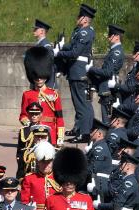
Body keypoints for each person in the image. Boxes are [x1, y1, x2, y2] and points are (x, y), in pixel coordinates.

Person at [54, 4, 96, 143]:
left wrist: (58, 53)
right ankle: (83, 130)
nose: (77, 19)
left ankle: (84, 134)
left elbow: (75, 52)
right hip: (76, 70)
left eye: (79, 16)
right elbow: (72, 46)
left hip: (78, 70)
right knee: (81, 102)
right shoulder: (80, 31)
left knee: (81, 104)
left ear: (84, 19)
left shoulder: (85, 32)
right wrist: (62, 45)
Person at [20, 46, 64, 146]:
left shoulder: (53, 94)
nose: (39, 79)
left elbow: (59, 118)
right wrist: (29, 123)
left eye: (42, 76)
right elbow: (23, 115)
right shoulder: (27, 95)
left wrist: (60, 136)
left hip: (50, 132)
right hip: (33, 133)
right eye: (36, 76)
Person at [87, 25, 124, 124]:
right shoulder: (114, 50)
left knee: (107, 119)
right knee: (106, 117)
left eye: (110, 35)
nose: (108, 37)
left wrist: (91, 69)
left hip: (109, 88)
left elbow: (107, 72)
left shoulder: (116, 51)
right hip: (106, 87)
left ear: (117, 37)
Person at [31, 19, 55, 89]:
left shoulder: (46, 46)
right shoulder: (39, 45)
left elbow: (48, 64)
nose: (33, 31)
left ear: (42, 31)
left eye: (36, 29)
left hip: (44, 82)